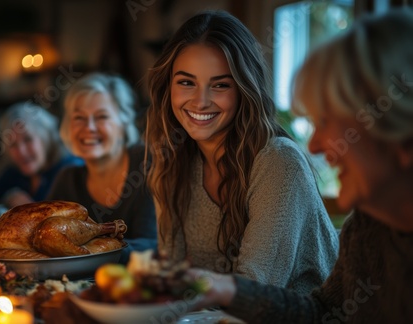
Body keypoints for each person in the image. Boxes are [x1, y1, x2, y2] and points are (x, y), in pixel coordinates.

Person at [186, 8, 413, 323]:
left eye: (328, 120)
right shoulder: (368, 226)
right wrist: (227, 289)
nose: (315, 144)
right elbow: (322, 314)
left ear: (400, 132)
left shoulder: (277, 160)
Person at [144, 10, 339, 295]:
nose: (200, 102)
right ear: (168, 86)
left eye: (220, 85)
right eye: (186, 82)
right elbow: (171, 274)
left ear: (244, 89)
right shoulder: (172, 161)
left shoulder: (277, 163)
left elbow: (253, 293)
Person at [47, 72, 157, 264]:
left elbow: (153, 245)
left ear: (124, 122)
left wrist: (85, 251)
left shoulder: (148, 164)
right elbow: (43, 238)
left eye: (101, 117)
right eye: (79, 118)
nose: (89, 127)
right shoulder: (68, 179)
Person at [0, 101, 84, 208]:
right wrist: (8, 196)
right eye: (13, 144)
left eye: (28, 139)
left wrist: (31, 207)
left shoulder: (70, 170)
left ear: (45, 138)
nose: (22, 151)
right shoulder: (15, 172)